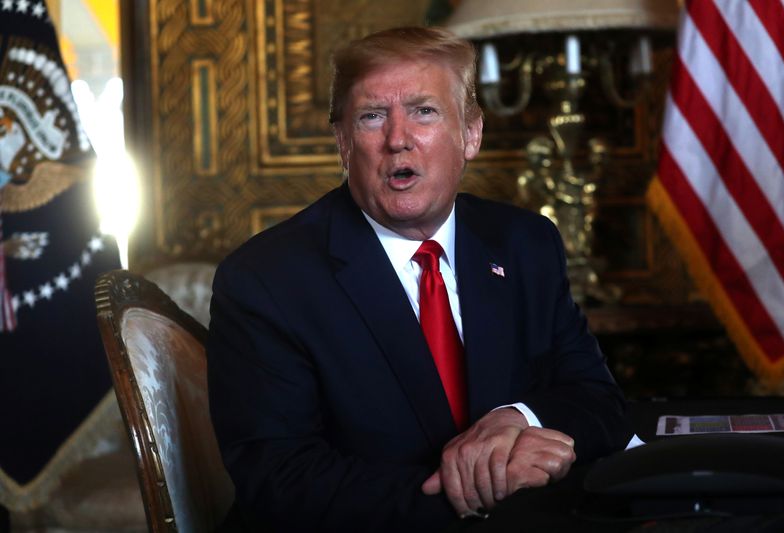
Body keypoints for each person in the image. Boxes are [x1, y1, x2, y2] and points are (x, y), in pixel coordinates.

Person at [206, 26, 630, 533]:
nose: (398, 139)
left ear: (471, 133)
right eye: (372, 116)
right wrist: (477, 492)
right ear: (343, 141)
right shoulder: (265, 279)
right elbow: (280, 482)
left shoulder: (525, 243)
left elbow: (599, 402)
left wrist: (518, 417)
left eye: (424, 111)